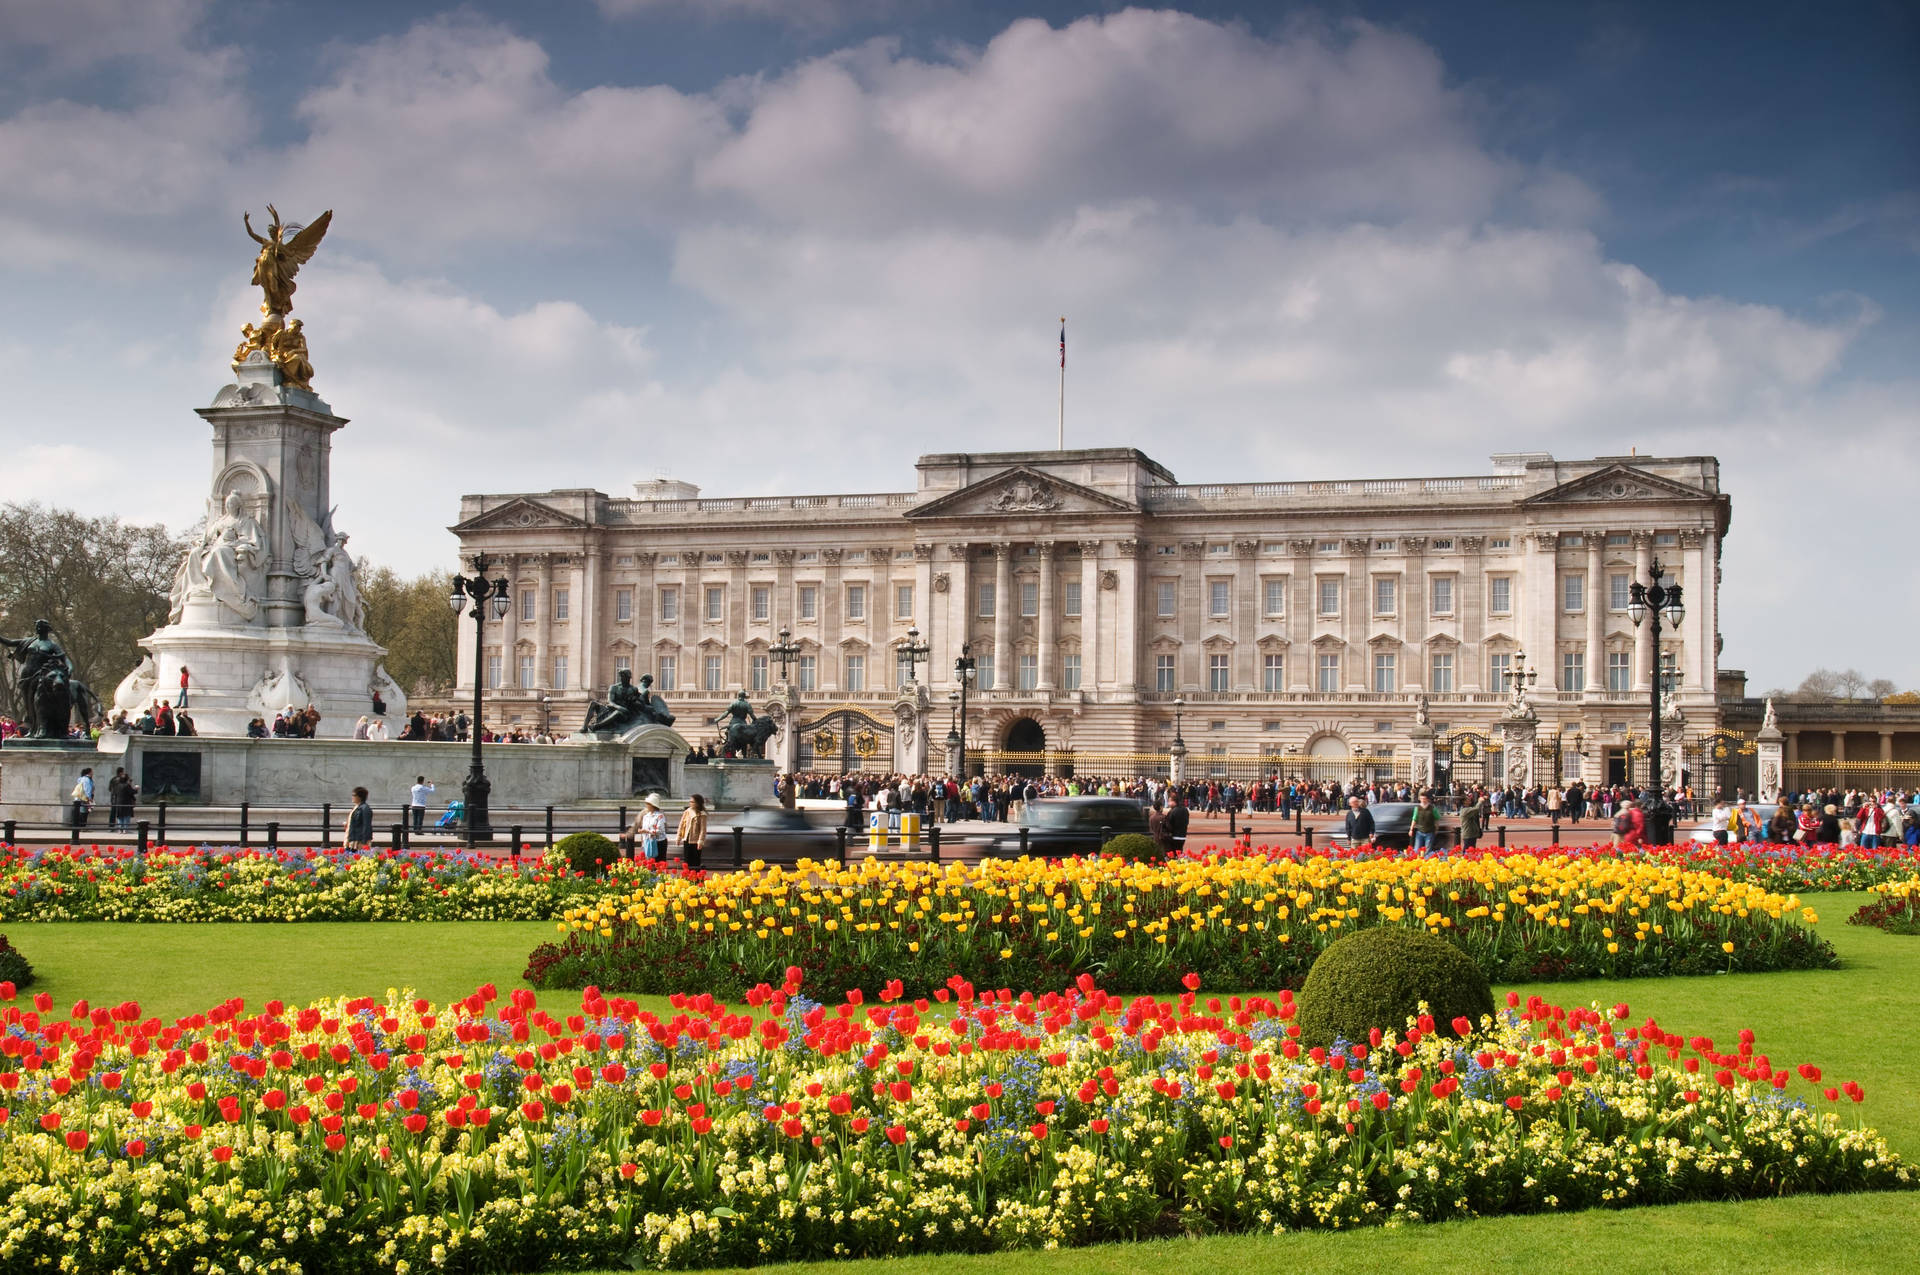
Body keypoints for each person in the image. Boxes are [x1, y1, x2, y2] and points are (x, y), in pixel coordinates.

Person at [677, 793, 708, 870]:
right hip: (686, 838)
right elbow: (681, 824)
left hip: (695, 840)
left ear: (698, 803)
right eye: (690, 802)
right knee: (687, 859)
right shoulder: (687, 811)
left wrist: (701, 840)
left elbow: (703, 829)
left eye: (692, 802)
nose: (690, 803)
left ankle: (696, 878)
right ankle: (687, 877)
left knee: (695, 860)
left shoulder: (702, 814)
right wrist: (679, 836)